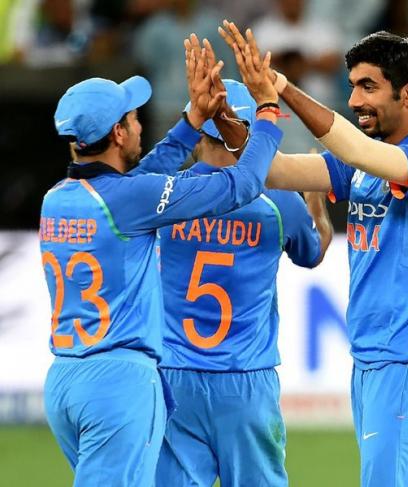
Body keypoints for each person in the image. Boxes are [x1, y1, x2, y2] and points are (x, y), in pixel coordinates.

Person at [219, 22, 408, 486]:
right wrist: (221, 115)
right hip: (373, 359)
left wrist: (281, 87)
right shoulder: (363, 161)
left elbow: (356, 151)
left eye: (368, 87)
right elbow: (273, 172)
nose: (354, 100)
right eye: (352, 86)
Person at [39, 44, 283, 486]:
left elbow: (139, 182)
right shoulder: (131, 198)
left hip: (64, 381)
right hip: (118, 381)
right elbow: (243, 184)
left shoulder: (57, 198)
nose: (139, 126)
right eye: (133, 119)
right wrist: (266, 112)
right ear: (118, 133)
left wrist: (193, 121)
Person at [154, 79, 332, 487]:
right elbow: (313, 252)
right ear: (246, 132)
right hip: (245, 377)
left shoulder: (165, 195)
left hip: (173, 376)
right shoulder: (277, 200)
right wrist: (315, 203)